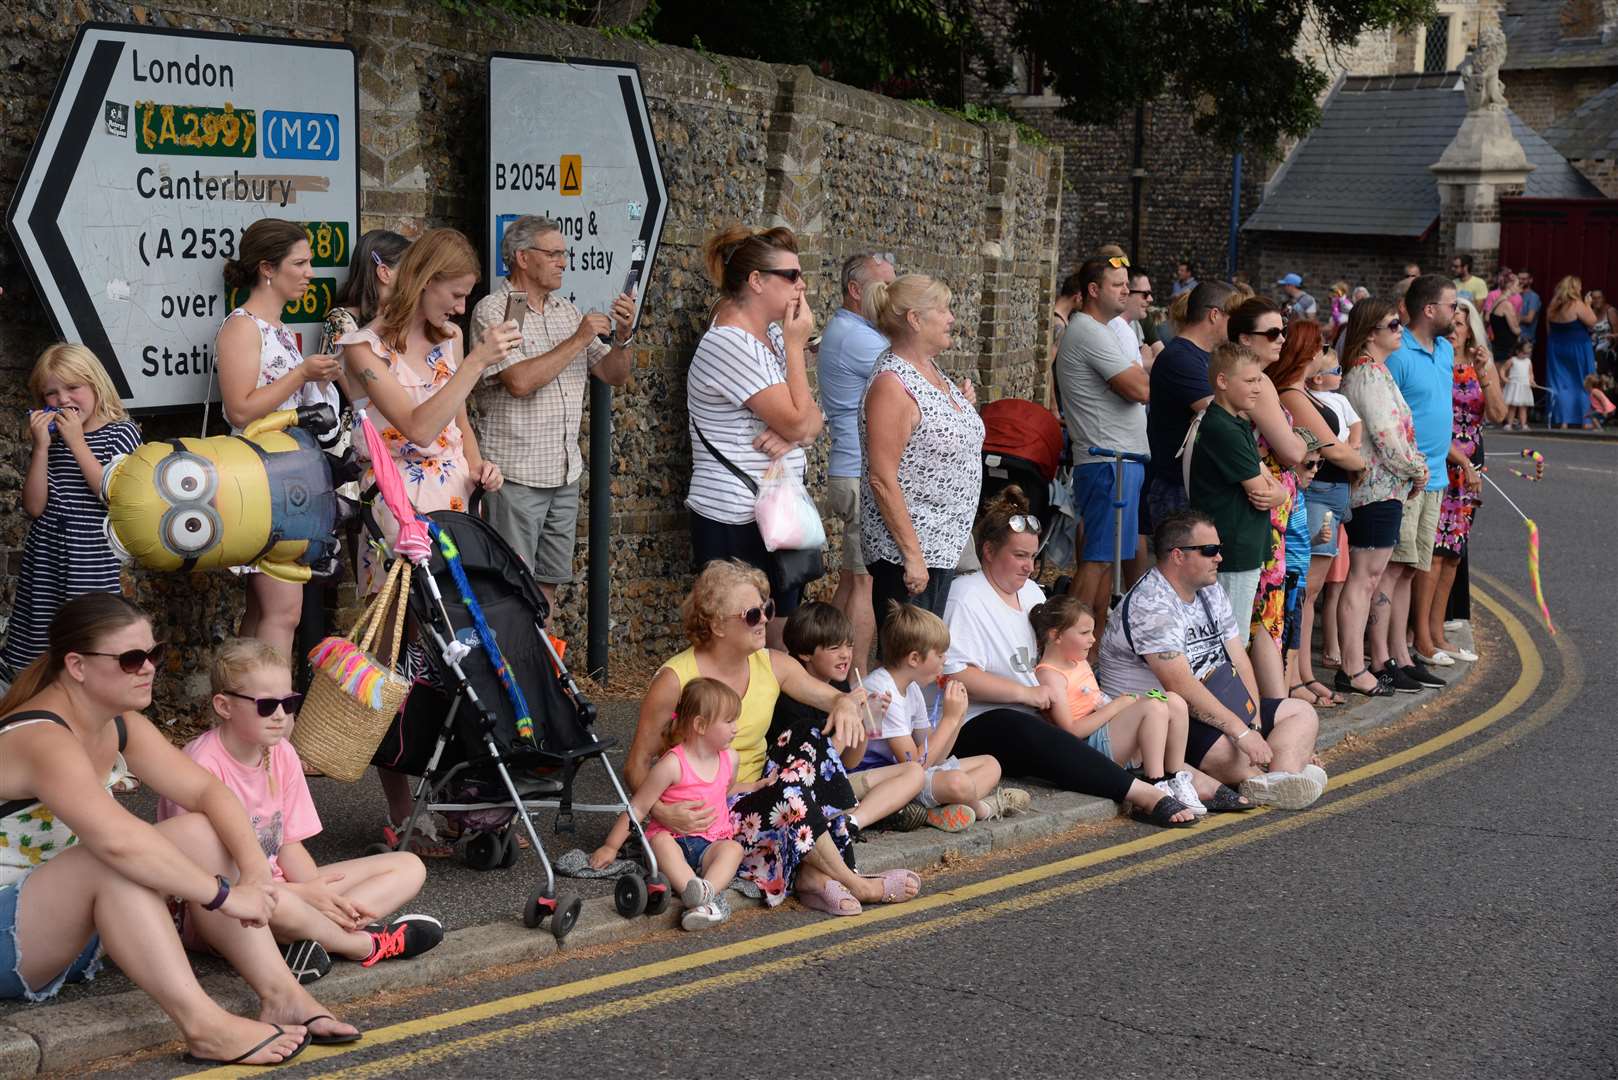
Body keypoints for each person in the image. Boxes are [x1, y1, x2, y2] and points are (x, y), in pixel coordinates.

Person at [0, 594, 359, 1061]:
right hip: (11, 935)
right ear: (77, 666)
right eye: (131, 659)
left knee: (201, 831)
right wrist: (226, 896)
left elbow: (210, 793)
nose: (148, 668)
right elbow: (118, 842)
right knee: (112, 860)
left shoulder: (118, 723)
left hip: (63, 927)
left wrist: (255, 875)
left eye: (154, 653)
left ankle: (281, 993)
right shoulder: (42, 738)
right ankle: (204, 1026)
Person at [338, 228, 521, 838]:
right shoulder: (360, 349)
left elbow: (457, 424)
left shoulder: (449, 342)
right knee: (392, 655)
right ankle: (398, 807)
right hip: (395, 514)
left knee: (451, 652)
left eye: (469, 297)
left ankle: (455, 793)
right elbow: (417, 427)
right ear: (423, 281)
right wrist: (474, 361)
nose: (462, 309)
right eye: (457, 293)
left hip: (452, 507)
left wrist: (478, 465)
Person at [628, 560, 921, 916]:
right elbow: (638, 764)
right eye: (753, 614)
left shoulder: (772, 663)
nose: (766, 619)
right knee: (791, 793)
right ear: (717, 624)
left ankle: (814, 878)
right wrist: (662, 811)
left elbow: (828, 696)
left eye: (767, 608)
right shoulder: (675, 678)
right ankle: (855, 881)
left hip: (767, 789)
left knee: (808, 739)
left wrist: (845, 704)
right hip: (717, 806)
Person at [156, 640, 441, 981]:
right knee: (284, 904)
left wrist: (316, 892)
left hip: (284, 890)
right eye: (266, 705)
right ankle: (363, 943)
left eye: (289, 702)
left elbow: (289, 844)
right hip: (220, 905)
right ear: (224, 706)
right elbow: (204, 879)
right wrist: (303, 896)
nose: (280, 715)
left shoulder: (283, 754)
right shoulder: (201, 763)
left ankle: (309, 938)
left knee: (408, 866)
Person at [940, 487, 1207, 827]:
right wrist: (1026, 694)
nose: (1029, 566)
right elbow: (956, 676)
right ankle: (1145, 794)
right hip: (979, 720)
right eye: (1019, 555)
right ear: (989, 551)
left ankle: (1191, 781)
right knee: (1027, 729)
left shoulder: (1033, 592)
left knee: (1149, 708)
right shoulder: (966, 595)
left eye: (1034, 557)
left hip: (1039, 709)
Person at [1096, 511, 1326, 810]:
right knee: (1240, 756)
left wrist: (1252, 722)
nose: (1219, 558)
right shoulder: (1153, 604)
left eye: (1219, 549)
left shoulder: (1210, 589)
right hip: (1167, 714)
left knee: (1302, 713)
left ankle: (1276, 778)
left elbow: (1239, 658)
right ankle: (1282, 771)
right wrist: (1240, 733)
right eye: (1210, 551)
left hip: (1216, 698)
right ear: (1178, 556)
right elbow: (1180, 685)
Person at [469, 216, 636, 622]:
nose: (564, 262)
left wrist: (625, 335)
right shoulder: (495, 311)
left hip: (563, 471)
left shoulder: (567, 310)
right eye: (555, 253)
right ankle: (512, 678)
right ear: (523, 258)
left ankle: (542, 670)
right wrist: (578, 339)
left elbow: (614, 374)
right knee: (511, 584)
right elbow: (520, 381)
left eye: (565, 253)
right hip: (517, 473)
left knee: (547, 584)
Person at [685, 226, 823, 647]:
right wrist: (798, 350)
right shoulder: (730, 343)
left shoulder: (774, 336)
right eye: (791, 275)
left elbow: (813, 420)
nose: (801, 286)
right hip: (737, 516)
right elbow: (801, 421)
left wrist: (794, 436)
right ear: (757, 281)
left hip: (775, 512)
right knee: (741, 641)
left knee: (778, 634)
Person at [216, 219, 342, 660]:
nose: (310, 273)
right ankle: (271, 716)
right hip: (260, 480)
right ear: (268, 268)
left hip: (286, 477)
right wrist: (302, 373)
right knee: (282, 611)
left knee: (264, 609)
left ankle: (245, 712)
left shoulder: (279, 329)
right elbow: (240, 409)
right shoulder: (243, 327)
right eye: (301, 263)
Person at [1, 344, 141, 675]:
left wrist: (77, 442)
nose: (63, 400)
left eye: (73, 387)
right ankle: (31, 695)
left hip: (90, 554)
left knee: (88, 634)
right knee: (38, 633)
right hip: (46, 551)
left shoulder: (120, 433)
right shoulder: (51, 439)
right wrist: (41, 448)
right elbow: (34, 506)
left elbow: (113, 496)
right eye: (52, 393)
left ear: (96, 384)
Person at [860, 273, 983, 641]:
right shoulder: (891, 384)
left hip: (943, 546)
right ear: (915, 319)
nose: (951, 318)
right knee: (911, 659)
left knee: (930, 659)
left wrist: (962, 407)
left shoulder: (929, 369)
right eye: (943, 309)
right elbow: (882, 477)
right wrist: (913, 556)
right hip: (911, 555)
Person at [855, 603, 1029, 832]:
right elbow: (915, 762)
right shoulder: (884, 690)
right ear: (914, 659)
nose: (945, 661)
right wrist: (948, 720)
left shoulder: (912, 688)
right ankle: (983, 808)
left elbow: (935, 757)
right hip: (882, 779)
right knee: (957, 783)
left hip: (908, 774)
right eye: (939, 654)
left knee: (991, 764)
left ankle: (929, 811)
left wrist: (958, 717)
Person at [593, 678, 747, 931]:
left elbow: (725, 790)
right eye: (729, 721)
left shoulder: (731, 759)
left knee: (733, 850)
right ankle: (696, 895)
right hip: (674, 840)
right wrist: (611, 847)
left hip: (712, 843)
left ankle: (704, 893)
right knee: (660, 843)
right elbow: (639, 806)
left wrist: (755, 786)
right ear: (700, 725)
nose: (736, 728)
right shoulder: (673, 764)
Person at [1029, 595, 1203, 813]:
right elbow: (1071, 731)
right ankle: (1153, 785)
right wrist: (1118, 706)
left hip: (1107, 732)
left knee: (1173, 700)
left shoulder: (1077, 660)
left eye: (1091, 632)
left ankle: (1175, 777)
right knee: (1153, 707)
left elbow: (1095, 700)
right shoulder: (1050, 675)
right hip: (1090, 748)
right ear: (1056, 636)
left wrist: (1124, 705)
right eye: (1084, 633)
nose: (1093, 639)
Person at [1055, 256, 1150, 647]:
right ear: (1093, 290)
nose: (1126, 290)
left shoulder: (1103, 330)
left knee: (1105, 561)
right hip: (1108, 459)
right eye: (1117, 284)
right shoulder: (1090, 332)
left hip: (1117, 459)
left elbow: (1134, 382)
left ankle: (1089, 653)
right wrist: (1138, 373)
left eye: (1127, 283)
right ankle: (1062, 647)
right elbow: (1140, 388)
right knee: (1096, 559)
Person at [772, 602, 926, 832]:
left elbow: (850, 761)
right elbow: (813, 768)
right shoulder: (789, 699)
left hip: (837, 782)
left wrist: (864, 720)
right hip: (799, 791)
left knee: (914, 772)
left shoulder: (838, 683)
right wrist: (848, 712)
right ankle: (874, 812)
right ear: (805, 653)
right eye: (834, 648)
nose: (846, 655)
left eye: (850, 646)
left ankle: (853, 821)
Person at [1336, 299, 1424, 698]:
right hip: (1374, 489)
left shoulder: (1377, 372)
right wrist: (1416, 469)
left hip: (1385, 488)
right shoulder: (1366, 376)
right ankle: (1353, 669)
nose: (1400, 328)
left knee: (1369, 579)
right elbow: (1388, 438)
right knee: (1363, 579)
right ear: (1371, 332)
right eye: (1393, 324)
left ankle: (1365, 664)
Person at [1275, 329, 1365, 707]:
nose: (1326, 351)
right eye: (1321, 345)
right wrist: (1358, 462)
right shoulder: (1293, 393)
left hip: (1327, 490)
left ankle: (1303, 674)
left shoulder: (1304, 391)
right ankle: (1293, 677)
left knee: (1310, 591)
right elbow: (1330, 446)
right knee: (1303, 590)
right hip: (1317, 491)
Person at [1418, 301, 1505, 668]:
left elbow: (1499, 415)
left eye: (1461, 324)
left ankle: (1439, 635)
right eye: (1450, 322)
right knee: (1433, 554)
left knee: (1453, 556)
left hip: (1470, 472)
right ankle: (1422, 636)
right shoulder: (1437, 363)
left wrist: (1486, 373)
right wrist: (1464, 461)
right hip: (1445, 463)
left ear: (1471, 331)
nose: (1455, 329)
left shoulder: (1480, 366)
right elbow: (1433, 423)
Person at [820, 252, 896, 668]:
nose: (891, 297)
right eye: (883, 287)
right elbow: (913, 378)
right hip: (858, 474)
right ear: (855, 291)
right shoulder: (860, 338)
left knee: (851, 580)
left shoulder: (852, 330)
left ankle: (824, 667)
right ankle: (858, 680)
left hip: (850, 469)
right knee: (864, 583)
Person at [1382, 274, 1457, 694]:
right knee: (1392, 570)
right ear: (1429, 309)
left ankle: (1405, 655)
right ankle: (1386, 657)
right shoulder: (1399, 354)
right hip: (1406, 478)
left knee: (1411, 570)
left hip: (1437, 477)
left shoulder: (1445, 349)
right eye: (1452, 305)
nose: (1457, 313)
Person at [1185, 342, 1281, 637]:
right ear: (1223, 381)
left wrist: (1280, 492)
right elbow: (1261, 490)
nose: (1257, 388)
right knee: (1229, 638)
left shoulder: (1236, 422)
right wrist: (1279, 492)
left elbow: (1274, 487)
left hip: (1242, 545)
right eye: (1250, 381)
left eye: (1259, 380)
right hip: (1232, 549)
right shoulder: (1222, 428)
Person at [1144, 280, 1239, 527]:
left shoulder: (1203, 357)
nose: (1240, 326)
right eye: (1235, 317)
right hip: (1178, 486)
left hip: (1193, 484)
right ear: (1215, 315)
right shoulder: (1181, 359)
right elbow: (1224, 416)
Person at [1545, 277, 1598, 428]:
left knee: (1561, 384)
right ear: (1575, 288)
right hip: (1578, 347)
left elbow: (1549, 330)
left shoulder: (1552, 306)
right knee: (1583, 382)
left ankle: (1563, 420)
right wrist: (1588, 305)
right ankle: (1585, 421)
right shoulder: (1577, 304)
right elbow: (1593, 321)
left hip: (1556, 347)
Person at [1110, 268, 1160, 370]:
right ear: (1126, 293)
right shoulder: (1120, 330)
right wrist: (1143, 361)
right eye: (1145, 294)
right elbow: (1136, 383)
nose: (1150, 299)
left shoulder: (1125, 325)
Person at [1487, 272, 1522, 364]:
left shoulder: (1497, 301)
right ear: (1510, 286)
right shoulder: (1507, 305)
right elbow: (1516, 330)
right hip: (1506, 349)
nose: (1519, 288)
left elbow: (1487, 318)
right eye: (1517, 285)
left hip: (1498, 345)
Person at [1502, 337, 1536, 430]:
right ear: (1517, 351)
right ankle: (1509, 424)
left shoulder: (1528, 361)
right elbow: (1503, 369)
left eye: (1528, 354)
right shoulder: (1513, 360)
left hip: (1524, 386)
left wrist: (1532, 380)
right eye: (1523, 353)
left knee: (1523, 407)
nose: (1526, 355)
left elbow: (1530, 373)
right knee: (1512, 406)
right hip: (1514, 386)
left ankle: (1523, 424)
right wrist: (1504, 378)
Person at [1517, 270, 1542, 348]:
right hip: (1512, 337)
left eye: (1524, 279)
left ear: (1530, 280)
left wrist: (1512, 317)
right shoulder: (1514, 295)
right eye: (1519, 279)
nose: (1521, 281)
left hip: (1526, 339)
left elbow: (1529, 319)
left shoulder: (1533, 297)